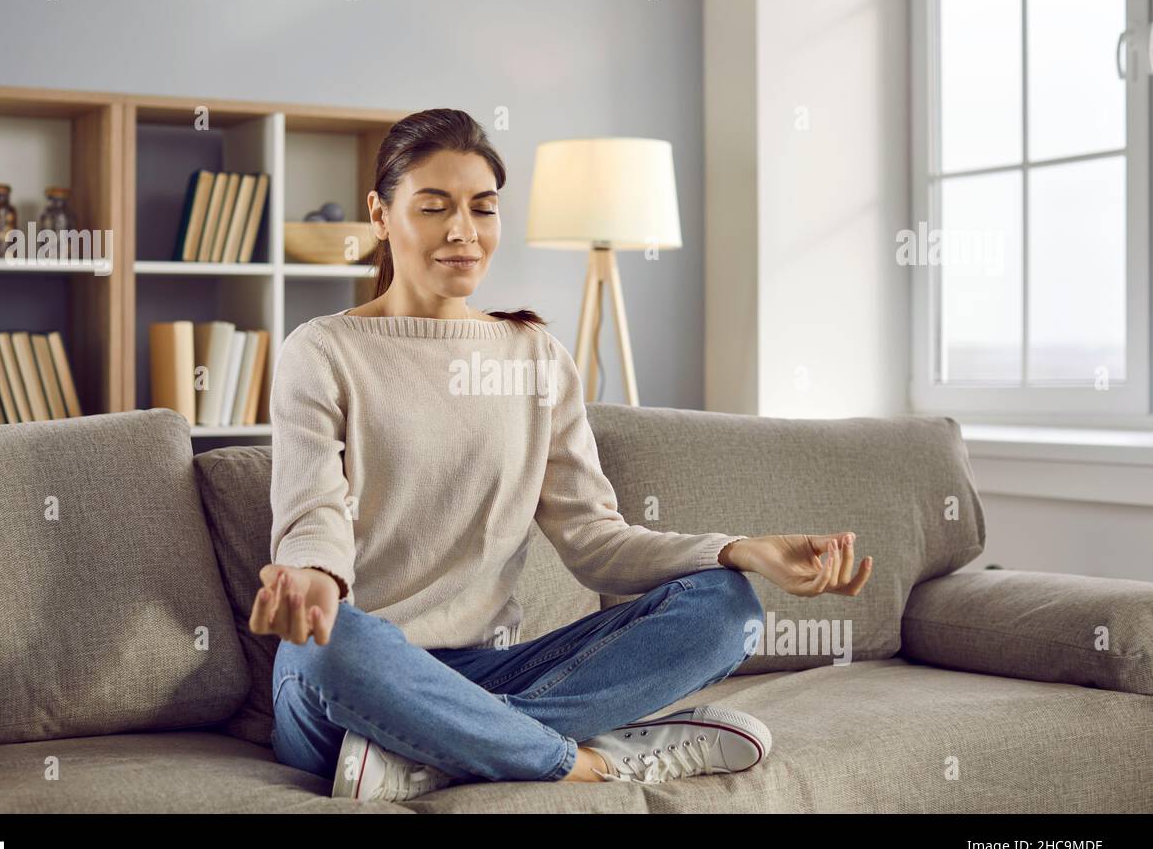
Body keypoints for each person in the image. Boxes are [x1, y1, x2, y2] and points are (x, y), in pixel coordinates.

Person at [249, 108, 873, 802]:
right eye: (433, 207)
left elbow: (596, 542)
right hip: (361, 675)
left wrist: (738, 551)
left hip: (491, 674)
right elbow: (312, 508)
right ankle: (576, 760)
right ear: (380, 213)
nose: (463, 231)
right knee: (324, 644)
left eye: (482, 209)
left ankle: (441, 751)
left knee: (729, 608)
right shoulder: (323, 349)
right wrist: (314, 576)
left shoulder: (535, 356)